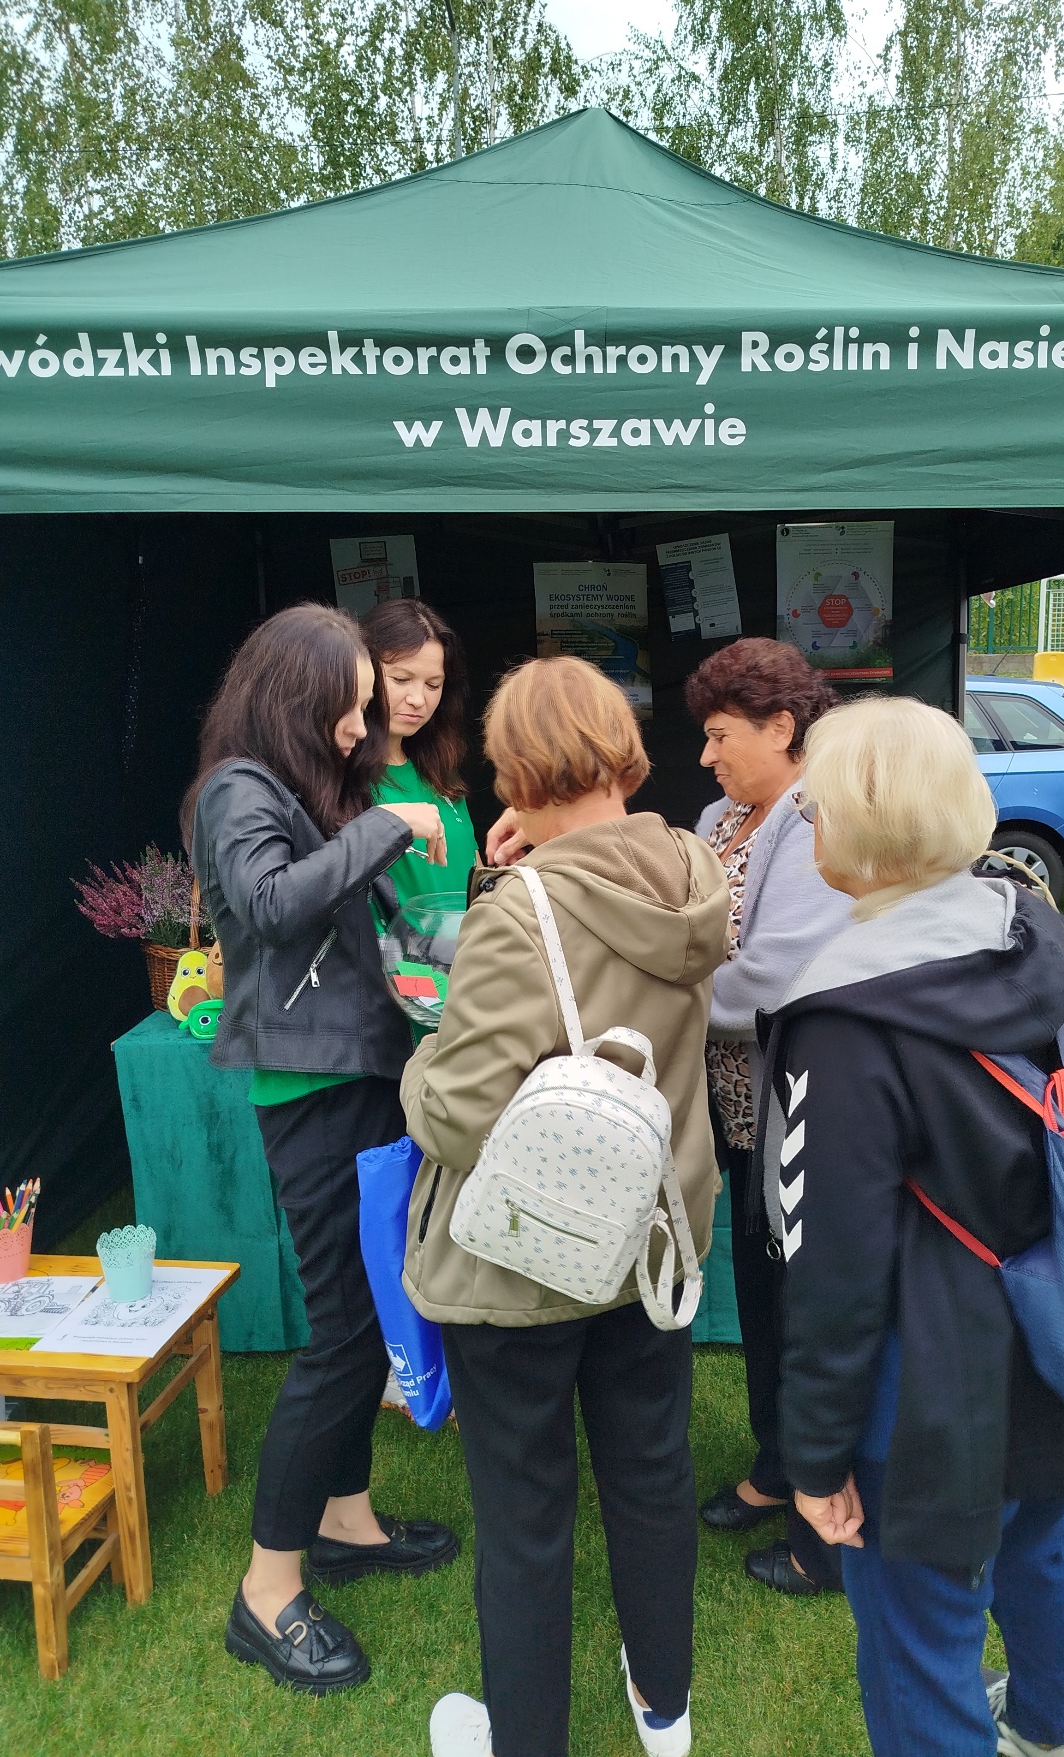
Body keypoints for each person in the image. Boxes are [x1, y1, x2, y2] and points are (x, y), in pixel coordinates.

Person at [764, 696, 1064, 1757]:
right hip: (1063, 1327)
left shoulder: (843, 1018)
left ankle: (1032, 1728)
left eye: (814, 808)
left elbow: (831, 1270)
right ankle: (1052, 1732)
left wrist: (813, 1456)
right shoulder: (1041, 933)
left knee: (919, 1634)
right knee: (1041, 1536)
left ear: (860, 829)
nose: (808, 826)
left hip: (924, 1384)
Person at [400, 656, 730, 1757]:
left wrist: (417, 1065)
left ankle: (526, 1737)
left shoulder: (521, 914)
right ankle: (664, 1709)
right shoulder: (689, 868)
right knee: (650, 1477)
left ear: (518, 769)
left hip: (526, 1258)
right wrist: (522, 868)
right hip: (652, 1237)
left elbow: (454, 1114)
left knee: (526, 1514)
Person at [186, 603, 460, 1697]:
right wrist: (386, 824)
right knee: (344, 1337)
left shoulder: (306, 793)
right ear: (298, 695)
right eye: (351, 705)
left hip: (363, 1078)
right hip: (313, 1095)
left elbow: (382, 922)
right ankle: (266, 1592)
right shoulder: (237, 790)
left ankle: (346, 1519)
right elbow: (267, 905)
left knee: (365, 1320)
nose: (363, 725)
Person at [683, 638, 851, 1596]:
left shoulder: (813, 815)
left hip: (795, 1106)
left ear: (782, 727)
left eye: (720, 735)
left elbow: (771, 977)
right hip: (730, 1107)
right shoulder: (719, 816)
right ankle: (778, 1463)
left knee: (803, 1306)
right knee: (758, 1287)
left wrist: (659, 992)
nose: (705, 756)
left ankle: (821, 1514)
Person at [361, 597, 478, 908]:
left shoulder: (439, 771)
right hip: (399, 941)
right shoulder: (340, 778)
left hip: (472, 937)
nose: (418, 699)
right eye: (401, 679)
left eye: (433, 685)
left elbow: (475, 868)